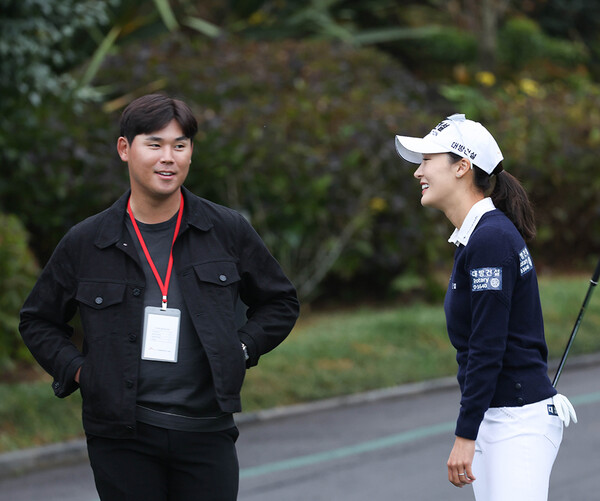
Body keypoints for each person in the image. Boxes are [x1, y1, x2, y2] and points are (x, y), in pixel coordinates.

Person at [19, 93, 300, 501]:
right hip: (122, 436)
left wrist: (239, 348)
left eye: (180, 145)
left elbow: (281, 302)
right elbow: (38, 320)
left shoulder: (226, 229)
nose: (168, 157)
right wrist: (81, 372)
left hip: (207, 431)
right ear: (124, 149)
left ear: (190, 153)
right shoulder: (87, 241)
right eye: (154, 144)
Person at [394, 113, 576, 500]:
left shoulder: (490, 238)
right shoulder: (477, 237)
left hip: (518, 420)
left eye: (428, 160)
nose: (417, 172)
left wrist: (465, 433)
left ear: (462, 166)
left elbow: (486, 347)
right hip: (502, 416)